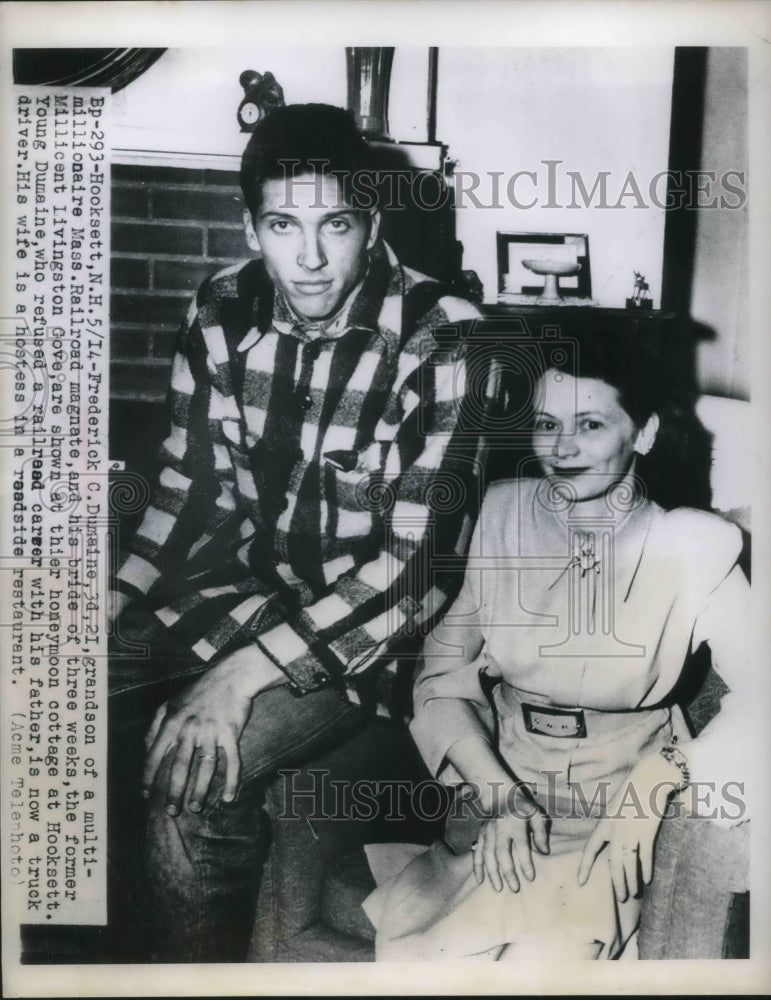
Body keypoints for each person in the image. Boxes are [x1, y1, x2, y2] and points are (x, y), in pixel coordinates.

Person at [108, 103, 486, 961]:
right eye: (282, 225)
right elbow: (185, 482)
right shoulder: (220, 304)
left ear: (372, 222)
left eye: (335, 225)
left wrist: (237, 680)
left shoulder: (445, 339)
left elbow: (414, 571)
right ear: (250, 225)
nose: (309, 258)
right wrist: (115, 591)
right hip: (234, 600)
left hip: (374, 643)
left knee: (194, 783)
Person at [364, 328, 750, 961]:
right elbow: (440, 676)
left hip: (616, 808)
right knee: (434, 961)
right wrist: (498, 798)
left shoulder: (694, 544)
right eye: (547, 423)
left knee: (539, 963)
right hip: (503, 792)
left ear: (644, 433)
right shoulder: (502, 512)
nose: (563, 448)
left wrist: (660, 780)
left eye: (591, 424)